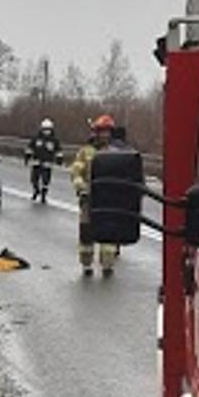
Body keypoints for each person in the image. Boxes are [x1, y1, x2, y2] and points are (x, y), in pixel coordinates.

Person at [70, 115, 128, 277]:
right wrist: (81, 189)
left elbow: (124, 174)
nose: (105, 135)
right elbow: (76, 172)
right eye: (102, 131)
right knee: (86, 233)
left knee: (109, 234)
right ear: (95, 132)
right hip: (89, 199)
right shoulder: (85, 152)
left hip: (109, 200)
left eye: (108, 131)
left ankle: (107, 265)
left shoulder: (117, 152)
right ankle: (86, 264)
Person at [23, 118, 63, 203]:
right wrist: (27, 157)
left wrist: (59, 160)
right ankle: (36, 190)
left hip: (47, 164)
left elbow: (58, 151)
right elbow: (30, 148)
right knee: (34, 179)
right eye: (45, 129)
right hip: (36, 162)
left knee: (46, 181)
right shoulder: (36, 138)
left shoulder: (54, 140)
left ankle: (43, 196)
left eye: (48, 129)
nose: (46, 131)